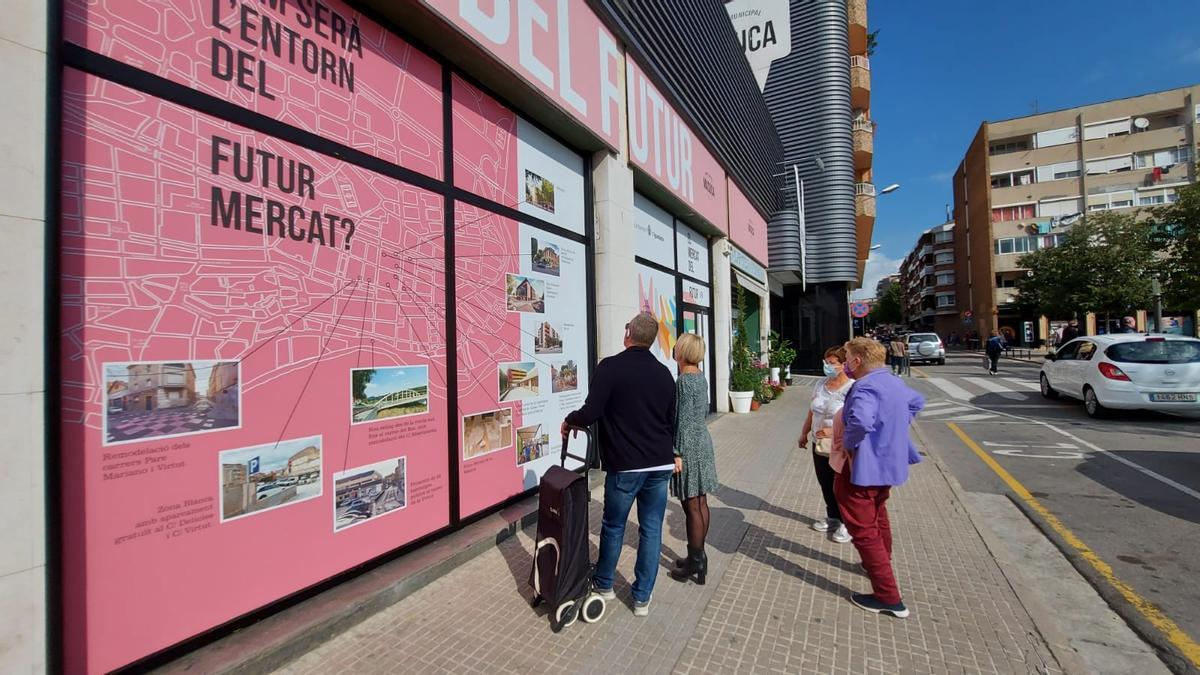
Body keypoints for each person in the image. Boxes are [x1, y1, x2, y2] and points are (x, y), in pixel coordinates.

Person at [562, 312, 676, 617]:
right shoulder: (664, 374)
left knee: (613, 526)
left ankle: (605, 585)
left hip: (626, 465)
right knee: (651, 529)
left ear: (628, 333)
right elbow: (670, 420)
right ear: (651, 341)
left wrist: (569, 421)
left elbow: (591, 411)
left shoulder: (611, 367)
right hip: (659, 464)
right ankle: (642, 598)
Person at [837, 337, 925, 618]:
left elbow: (861, 422)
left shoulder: (865, 386)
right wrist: (893, 428)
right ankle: (879, 563)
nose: (845, 363)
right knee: (878, 516)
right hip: (887, 466)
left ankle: (888, 596)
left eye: (847, 357)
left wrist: (850, 445)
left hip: (863, 468)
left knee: (863, 529)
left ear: (858, 360)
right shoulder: (893, 382)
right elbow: (916, 402)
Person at [668, 333, 718, 585]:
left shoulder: (683, 381)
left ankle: (696, 562)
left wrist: (675, 452)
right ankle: (698, 557)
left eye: (676, 345)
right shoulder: (700, 377)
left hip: (688, 445)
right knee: (700, 501)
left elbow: (680, 420)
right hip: (702, 440)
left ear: (683, 351)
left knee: (691, 506)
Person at [798, 346, 854, 543]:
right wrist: (804, 433)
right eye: (826, 362)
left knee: (842, 484)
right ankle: (833, 517)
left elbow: (855, 420)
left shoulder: (851, 388)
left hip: (839, 445)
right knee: (825, 482)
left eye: (832, 363)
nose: (827, 366)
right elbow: (811, 412)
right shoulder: (821, 384)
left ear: (843, 365)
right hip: (818, 442)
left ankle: (848, 523)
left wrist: (832, 431)